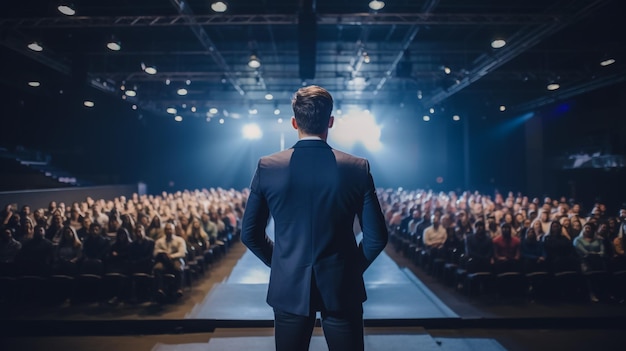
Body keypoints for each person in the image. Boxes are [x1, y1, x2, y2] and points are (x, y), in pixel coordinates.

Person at [241, 85, 388, 351]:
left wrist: (283, 264)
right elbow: (377, 238)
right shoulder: (357, 167)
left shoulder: (268, 167)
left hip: (289, 286)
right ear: (330, 122)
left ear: (294, 122)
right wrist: (350, 269)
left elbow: (249, 233)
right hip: (343, 286)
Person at [153, 222, 187, 300]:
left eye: (170, 229)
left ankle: (179, 289)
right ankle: (160, 289)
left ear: (173, 230)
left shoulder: (179, 240)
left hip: (176, 259)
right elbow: (155, 252)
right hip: (163, 260)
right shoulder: (160, 241)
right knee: (157, 268)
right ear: (164, 231)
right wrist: (163, 253)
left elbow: (182, 253)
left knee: (178, 268)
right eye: (167, 229)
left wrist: (171, 256)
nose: (169, 231)